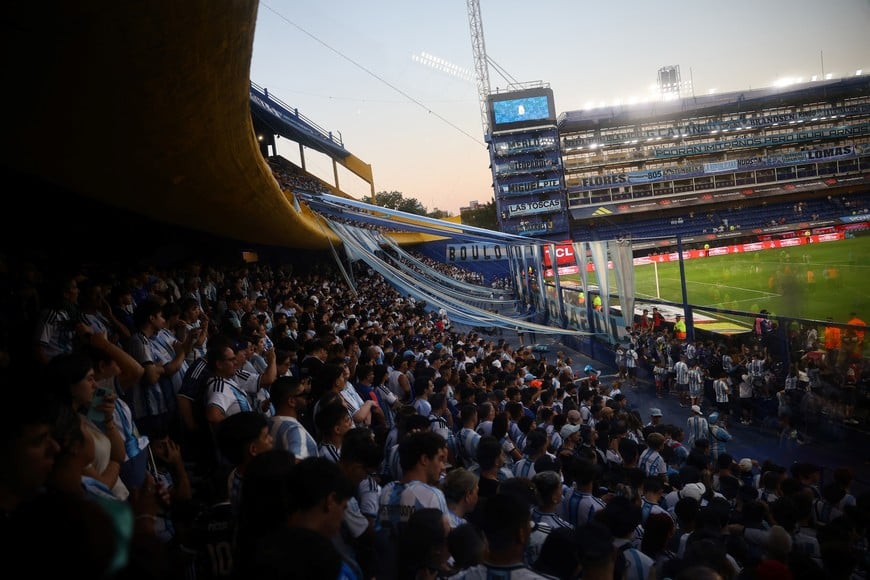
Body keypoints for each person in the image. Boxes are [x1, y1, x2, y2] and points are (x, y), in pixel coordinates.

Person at [267, 375, 318, 461]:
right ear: (291, 401)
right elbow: (295, 463)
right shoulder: (294, 429)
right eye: (304, 395)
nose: (307, 398)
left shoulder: (269, 424)